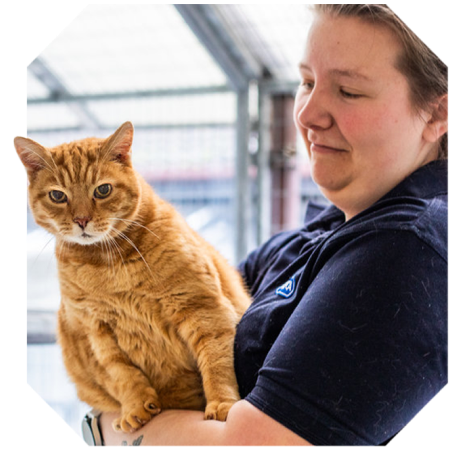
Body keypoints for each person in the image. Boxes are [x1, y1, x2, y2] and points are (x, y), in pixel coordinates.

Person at [91, 5, 449, 447]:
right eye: (307, 82)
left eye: (348, 91)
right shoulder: (311, 237)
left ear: (437, 114)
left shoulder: (408, 251)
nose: (308, 113)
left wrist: (106, 425)